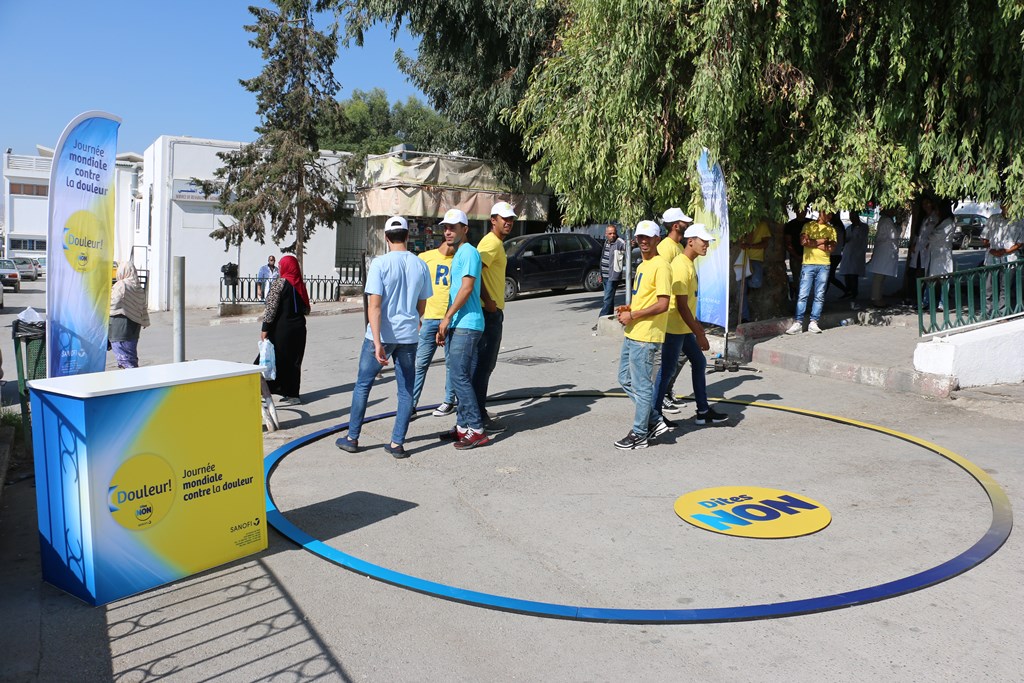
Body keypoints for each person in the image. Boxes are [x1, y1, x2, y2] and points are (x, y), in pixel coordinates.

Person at [336, 216, 433, 458]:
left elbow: (375, 307)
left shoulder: (380, 264)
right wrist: (413, 320)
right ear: (408, 237)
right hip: (408, 335)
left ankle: (352, 437)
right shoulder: (420, 265)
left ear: (386, 237)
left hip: (381, 334)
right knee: (406, 389)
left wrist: (378, 342)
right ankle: (397, 443)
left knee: (363, 385)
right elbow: (422, 305)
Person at [615, 220, 672, 450]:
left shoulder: (661, 266)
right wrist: (628, 309)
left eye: (648, 237)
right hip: (634, 331)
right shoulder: (642, 265)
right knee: (624, 378)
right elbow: (645, 298)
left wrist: (634, 314)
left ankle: (640, 433)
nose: (644, 241)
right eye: (640, 237)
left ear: (658, 239)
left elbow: (663, 304)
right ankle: (654, 419)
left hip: (646, 334)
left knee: (642, 385)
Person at [436, 208, 489, 449]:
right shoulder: (459, 253)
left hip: (467, 324)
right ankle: (462, 427)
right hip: (459, 323)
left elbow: (467, 288)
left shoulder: (468, 252)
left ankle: (476, 429)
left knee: (459, 375)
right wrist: (446, 322)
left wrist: (447, 318)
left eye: (453, 227)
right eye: (445, 227)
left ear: (464, 229)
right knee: (460, 376)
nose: (448, 231)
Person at [675, 224, 730, 425]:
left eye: (707, 241)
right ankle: (652, 418)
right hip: (675, 329)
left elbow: (688, 304)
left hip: (684, 328)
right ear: (690, 241)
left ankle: (703, 411)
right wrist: (699, 333)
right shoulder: (681, 265)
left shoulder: (689, 263)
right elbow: (681, 306)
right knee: (663, 375)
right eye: (703, 241)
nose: (706, 245)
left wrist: (697, 329)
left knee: (698, 362)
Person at [472, 201, 516, 434]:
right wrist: (488, 301)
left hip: (491, 311)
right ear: (493, 220)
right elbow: (474, 272)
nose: (508, 222)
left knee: (482, 366)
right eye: (504, 218)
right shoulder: (490, 242)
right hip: (489, 313)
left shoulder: (495, 243)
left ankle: (476, 411)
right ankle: (477, 414)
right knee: (483, 366)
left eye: (511, 219)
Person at [412, 239, 457, 417]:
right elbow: (415, 287)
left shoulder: (459, 258)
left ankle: (448, 401)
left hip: (451, 318)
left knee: (451, 364)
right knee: (420, 364)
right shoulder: (425, 258)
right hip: (430, 318)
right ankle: (411, 405)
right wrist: (416, 316)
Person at [654, 207, 692, 417]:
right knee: (669, 359)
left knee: (682, 355)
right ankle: (661, 394)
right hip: (670, 314)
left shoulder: (677, 246)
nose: (687, 225)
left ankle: (666, 391)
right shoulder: (666, 248)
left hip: (679, 314)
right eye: (684, 222)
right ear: (676, 225)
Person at [260, 254, 310, 405]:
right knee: (294, 362)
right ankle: (293, 394)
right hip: (299, 329)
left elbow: (270, 309)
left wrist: (264, 329)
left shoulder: (279, 283)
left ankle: (262, 391)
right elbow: (307, 309)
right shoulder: (300, 285)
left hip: (282, 330)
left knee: (276, 359)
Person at [786, 211, 838, 334]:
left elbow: (831, 248)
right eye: (828, 214)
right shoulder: (808, 226)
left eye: (831, 215)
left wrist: (813, 242)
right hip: (808, 264)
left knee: (819, 295)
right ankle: (798, 322)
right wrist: (822, 241)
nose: (830, 217)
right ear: (821, 212)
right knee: (803, 294)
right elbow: (804, 242)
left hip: (824, 265)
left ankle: (814, 322)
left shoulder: (831, 229)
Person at [980, 204, 1022, 316]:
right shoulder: (993, 219)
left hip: (1009, 259)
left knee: (1005, 288)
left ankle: (1002, 312)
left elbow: (1021, 241)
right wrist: (992, 249)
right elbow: (984, 238)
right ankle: (988, 312)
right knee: (989, 288)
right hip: (991, 259)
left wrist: (1007, 251)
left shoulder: (1019, 220)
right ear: (1001, 206)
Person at [109, 261, 151, 369]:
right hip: (134, 327)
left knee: (123, 358)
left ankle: (132, 382)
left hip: (120, 327)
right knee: (130, 356)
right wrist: (145, 321)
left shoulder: (121, 285)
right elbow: (143, 307)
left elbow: (113, 302)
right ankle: (133, 379)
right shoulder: (138, 287)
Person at [737, 217, 772, 321]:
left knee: (757, 282)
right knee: (741, 290)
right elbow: (742, 242)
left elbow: (765, 243)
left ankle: (747, 286)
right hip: (744, 258)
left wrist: (751, 245)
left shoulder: (762, 225)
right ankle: (745, 317)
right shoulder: (743, 224)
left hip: (756, 258)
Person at [594, 224, 627, 328]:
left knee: (607, 299)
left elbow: (628, 246)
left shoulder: (619, 242)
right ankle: (607, 321)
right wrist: (600, 273)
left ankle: (600, 322)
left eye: (614, 233)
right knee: (609, 300)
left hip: (613, 276)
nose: (612, 235)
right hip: (604, 275)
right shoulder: (606, 243)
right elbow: (603, 258)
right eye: (610, 233)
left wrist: (632, 243)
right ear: (606, 234)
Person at [866, 207, 900, 307]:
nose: (894, 211)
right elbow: (894, 235)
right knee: (879, 277)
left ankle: (877, 297)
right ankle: (876, 298)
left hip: (883, 250)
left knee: (880, 276)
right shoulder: (887, 221)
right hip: (885, 251)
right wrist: (898, 227)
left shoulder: (883, 220)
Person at [926, 201, 956, 310]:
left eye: (938, 210)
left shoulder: (948, 222)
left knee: (944, 278)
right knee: (932, 278)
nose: (936, 212)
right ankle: (929, 302)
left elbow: (936, 235)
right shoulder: (941, 221)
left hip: (943, 254)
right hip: (935, 253)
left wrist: (929, 237)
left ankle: (942, 303)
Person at [838, 212, 869, 299]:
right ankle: (848, 290)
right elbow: (846, 238)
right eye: (851, 217)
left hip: (857, 252)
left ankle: (854, 292)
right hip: (848, 252)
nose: (852, 219)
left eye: (853, 217)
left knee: (853, 274)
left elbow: (861, 237)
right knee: (846, 273)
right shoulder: (848, 228)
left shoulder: (864, 227)